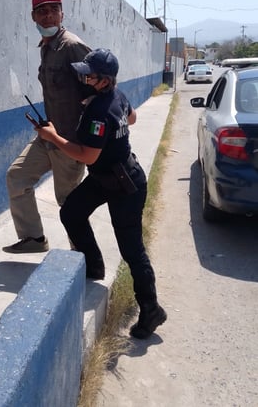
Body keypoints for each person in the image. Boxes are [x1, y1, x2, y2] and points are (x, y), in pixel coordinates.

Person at [36, 48, 167, 339]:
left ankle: (152, 309)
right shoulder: (115, 96)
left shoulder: (99, 110)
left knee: (132, 249)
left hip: (124, 185)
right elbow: (131, 119)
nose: (82, 76)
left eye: (88, 74)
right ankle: (93, 265)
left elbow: (87, 156)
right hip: (106, 177)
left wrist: (52, 136)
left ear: (103, 79)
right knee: (71, 212)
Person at [3, 0, 91, 254]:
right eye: (42, 11)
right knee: (17, 177)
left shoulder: (72, 46)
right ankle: (33, 239)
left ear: (62, 13)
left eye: (54, 10)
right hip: (48, 135)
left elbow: (101, 87)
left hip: (68, 141)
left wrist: (90, 139)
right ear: (33, 17)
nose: (48, 16)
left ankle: (82, 256)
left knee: (68, 202)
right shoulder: (47, 48)